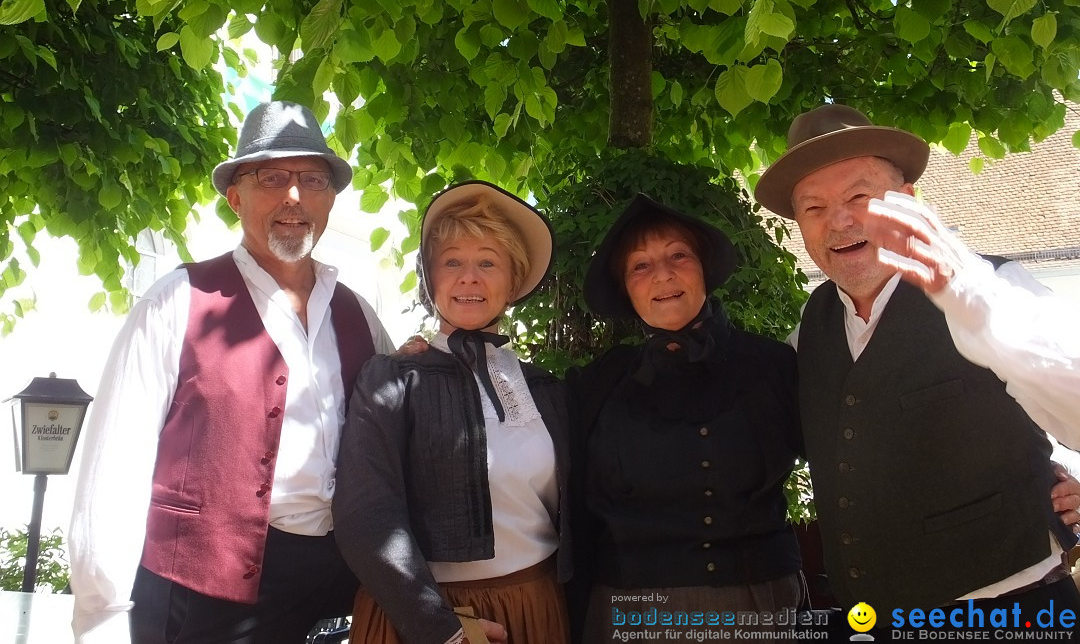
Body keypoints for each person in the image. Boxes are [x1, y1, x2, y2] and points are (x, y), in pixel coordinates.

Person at [69, 101, 395, 644]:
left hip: (340, 585)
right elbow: (115, 463)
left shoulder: (359, 313)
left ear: (331, 199)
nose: (294, 195)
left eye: (312, 179)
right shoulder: (178, 301)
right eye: (272, 177)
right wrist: (101, 616)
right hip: (204, 596)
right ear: (235, 196)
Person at [754, 103, 1080, 620]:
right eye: (813, 209)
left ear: (906, 202)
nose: (838, 221)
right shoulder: (811, 327)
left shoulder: (994, 286)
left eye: (858, 196)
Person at [332, 181, 572, 644]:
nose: (469, 276)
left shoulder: (547, 389)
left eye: (487, 261)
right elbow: (366, 514)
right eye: (452, 262)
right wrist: (443, 630)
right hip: (424, 619)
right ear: (431, 280)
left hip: (536, 608)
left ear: (514, 280)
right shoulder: (392, 379)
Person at [570, 194, 805, 642]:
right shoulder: (594, 385)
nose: (663, 274)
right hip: (630, 611)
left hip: (758, 604)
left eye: (678, 254)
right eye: (640, 265)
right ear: (626, 288)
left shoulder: (774, 365)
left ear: (704, 268)